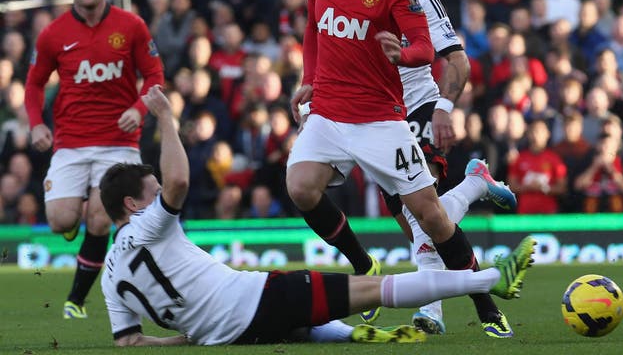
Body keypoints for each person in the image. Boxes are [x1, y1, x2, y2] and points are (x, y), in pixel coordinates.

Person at [100, 85, 536, 346]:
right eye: (150, 193)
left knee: (303, 323)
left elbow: (130, 342)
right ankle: (492, 279)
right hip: (259, 300)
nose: (160, 196)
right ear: (133, 205)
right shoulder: (145, 226)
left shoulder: (109, 275)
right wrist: (167, 119)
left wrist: (185, 338)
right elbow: (177, 183)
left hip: (232, 334)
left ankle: (352, 336)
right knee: (375, 289)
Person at [286, 0, 495, 326]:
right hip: (330, 111)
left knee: (428, 215)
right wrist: (309, 80)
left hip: (395, 113)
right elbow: (311, 29)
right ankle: (368, 266)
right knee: (302, 187)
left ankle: (471, 302)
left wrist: (431, 89)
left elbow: (434, 50)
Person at [371, 0, 518, 337]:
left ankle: (435, 311)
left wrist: (445, 107)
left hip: (419, 106)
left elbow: (458, 59)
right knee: (418, 221)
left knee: (423, 215)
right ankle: (474, 184)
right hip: (375, 120)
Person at [25, 0, 165, 319]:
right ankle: (74, 221)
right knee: (61, 221)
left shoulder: (131, 26)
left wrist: (139, 108)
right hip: (70, 141)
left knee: (102, 220)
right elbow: (35, 83)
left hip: (119, 143)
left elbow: (154, 74)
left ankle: (76, 301)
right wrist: (36, 122)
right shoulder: (53, 34)